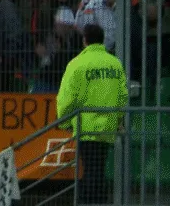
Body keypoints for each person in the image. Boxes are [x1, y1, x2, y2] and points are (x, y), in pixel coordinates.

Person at [56, 24, 128, 205]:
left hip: (86, 127)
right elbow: (122, 96)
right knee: (97, 170)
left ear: (84, 40)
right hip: (108, 126)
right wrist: (118, 119)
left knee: (90, 171)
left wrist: (64, 122)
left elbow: (66, 99)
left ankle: (90, 203)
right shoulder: (115, 63)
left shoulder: (77, 64)